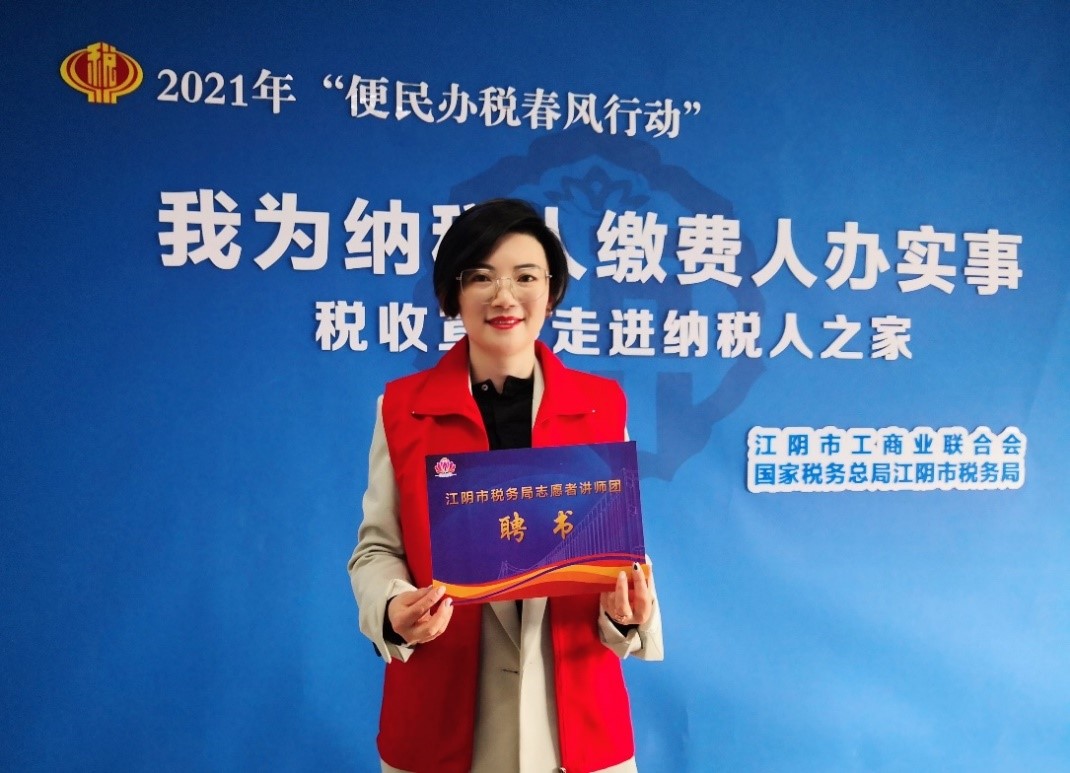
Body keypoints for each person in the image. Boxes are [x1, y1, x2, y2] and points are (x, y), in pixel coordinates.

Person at [348, 198, 663, 773]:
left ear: (552, 290)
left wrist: (627, 612)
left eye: (525, 277)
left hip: (574, 718)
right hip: (444, 714)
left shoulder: (601, 407)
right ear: (452, 294)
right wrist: (392, 606)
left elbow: (618, 552)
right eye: (481, 277)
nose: (504, 296)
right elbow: (376, 548)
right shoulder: (402, 409)